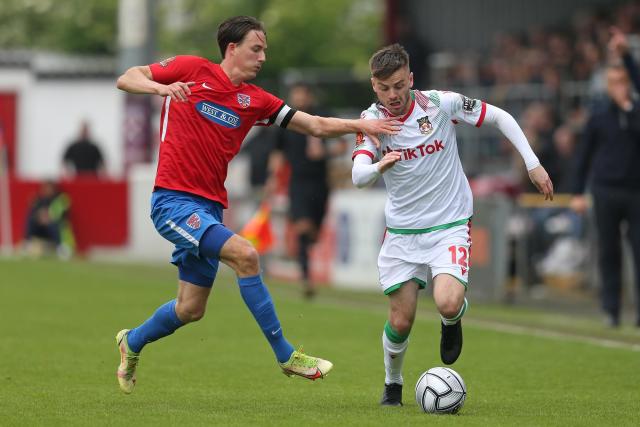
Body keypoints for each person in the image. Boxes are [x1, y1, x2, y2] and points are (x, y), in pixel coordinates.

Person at [114, 15, 400, 394]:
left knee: (190, 309)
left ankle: (131, 342)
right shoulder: (190, 69)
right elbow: (127, 76)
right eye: (256, 48)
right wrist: (158, 89)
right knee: (247, 255)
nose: (263, 57)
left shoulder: (255, 101)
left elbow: (313, 125)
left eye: (264, 49)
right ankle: (286, 355)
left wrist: (363, 126)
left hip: (209, 208)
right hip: (173, 203)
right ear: (232, 49)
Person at [351, 44, 553, 406]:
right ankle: (392, 384)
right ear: (374, 86)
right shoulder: (371, 122)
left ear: (410, 78)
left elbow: (500, 117)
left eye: (399, 85)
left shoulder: (439, 104)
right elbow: (358, 176)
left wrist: (532, 163)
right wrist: (379, 166)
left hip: (449, 223)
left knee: (446, 302)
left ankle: (452, 320)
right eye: (385, 88)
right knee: (400, 321)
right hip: (402, 233)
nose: (393, 95)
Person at [570, 28, 640, 328]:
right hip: (606, 191)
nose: (618, 87)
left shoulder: (636, 113)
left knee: (638, 253)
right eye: (612, 83)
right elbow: (583, 156)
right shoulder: (598, 116)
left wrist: (627, 57)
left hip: (636, 192)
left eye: (622, 81)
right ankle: (611, 310)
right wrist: (576, 193)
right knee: (608, 253)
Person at [269, 83, 348, 298]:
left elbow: (342, 145)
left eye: (302, 95)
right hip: (297, 183)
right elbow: (277, 154)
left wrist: (324, 151)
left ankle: (311, 241)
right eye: (295, 96)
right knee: (302, 229)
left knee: (313, 233)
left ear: (309, 96)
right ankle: (306, 279)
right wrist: (272, 180)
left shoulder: (323, 115)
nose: (298, 100)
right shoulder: (286, 120)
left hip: (321, 182)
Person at [23, 181, 74, 259]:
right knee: (31, 220)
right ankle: (27, 244)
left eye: (49, 188)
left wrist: (48, 217)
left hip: (55, 228)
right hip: (41, 228)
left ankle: (60, 248)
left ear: (54, 189)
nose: (47, 190)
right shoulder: (39, 200)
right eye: (45, 188)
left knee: (54, 224)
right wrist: (40, 217)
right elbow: (33, 212)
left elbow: (61, 214)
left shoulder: (61, 199)